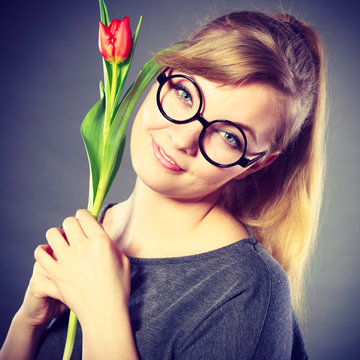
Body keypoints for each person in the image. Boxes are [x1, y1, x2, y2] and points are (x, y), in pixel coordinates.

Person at [0, 9, 326, 360]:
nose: (183, 137)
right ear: (164, 73)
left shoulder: (247, 291)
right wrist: (28, 323)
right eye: (185, 94)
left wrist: (104, 315)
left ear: (257, 164)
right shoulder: (95, 232)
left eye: (229, 136)